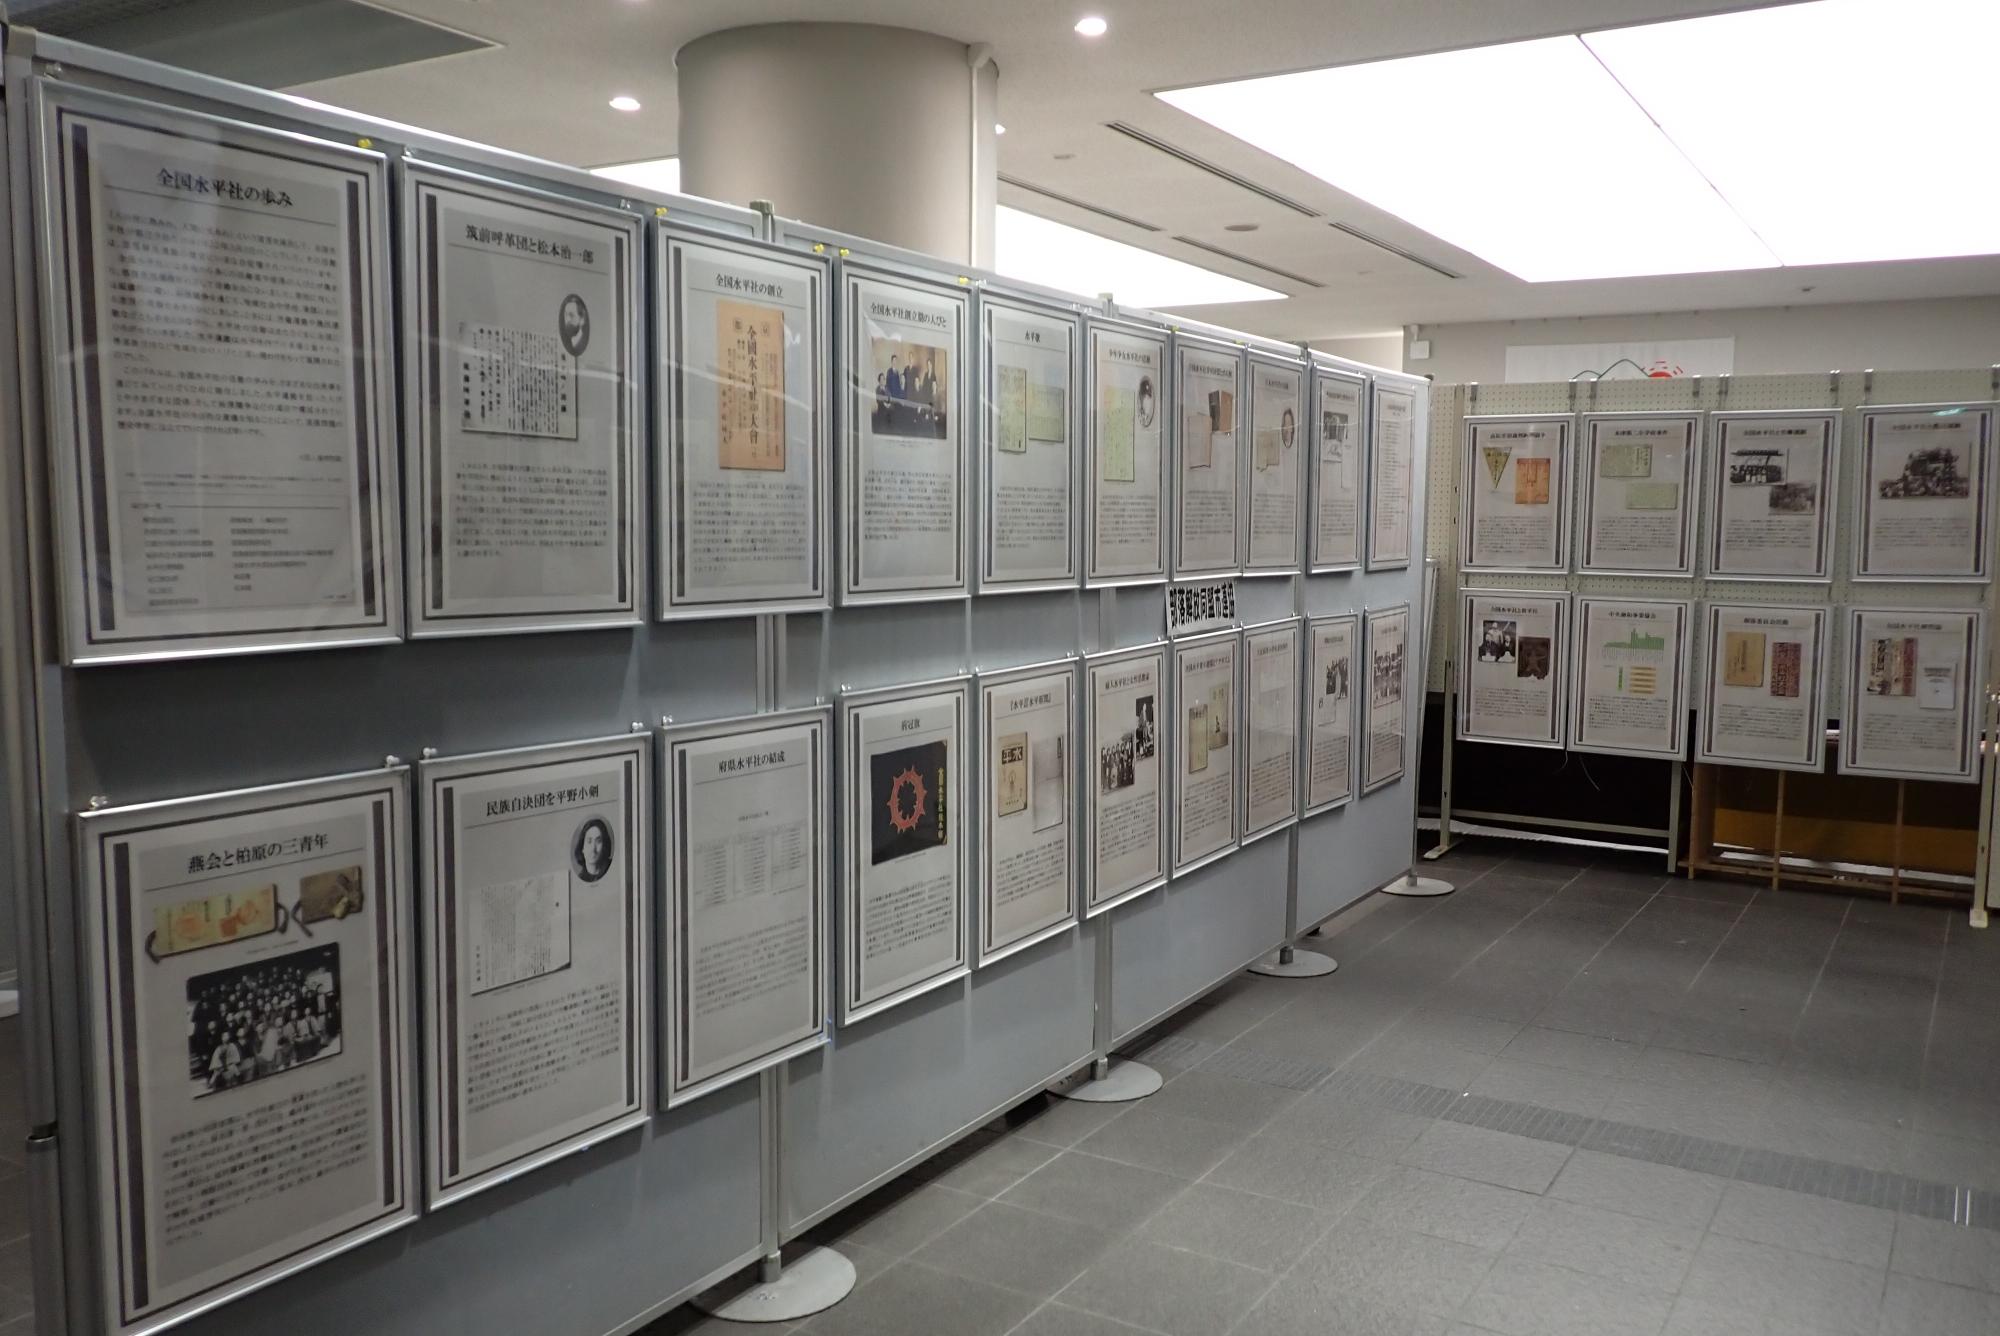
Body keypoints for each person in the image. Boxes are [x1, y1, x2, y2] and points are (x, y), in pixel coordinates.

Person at [573, 817, 614, 883]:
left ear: (604, 845)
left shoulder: (613, 870)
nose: (593, 848)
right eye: (589, 841)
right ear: (582, 847)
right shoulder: (580, 878)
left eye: (598, 841)